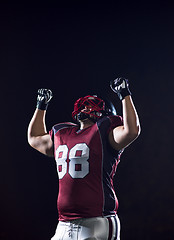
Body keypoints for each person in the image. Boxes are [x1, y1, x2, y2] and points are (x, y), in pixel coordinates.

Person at [27, 77, 140, 240]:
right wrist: (41, 106)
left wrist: (124, 94)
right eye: (84, 104)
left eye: (91, 104)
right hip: (64, 223)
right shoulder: (63, 133)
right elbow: (34, 137)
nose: (85, 107)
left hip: (97, 220)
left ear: (105, 112)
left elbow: (132, 131)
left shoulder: (105, 132)